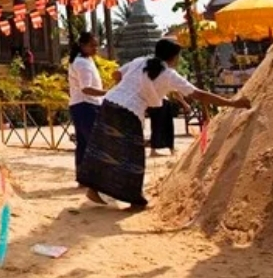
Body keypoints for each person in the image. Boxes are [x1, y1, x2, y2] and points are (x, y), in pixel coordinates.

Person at [78, 39, 251, 211]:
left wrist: (124, 88)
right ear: (174, 57)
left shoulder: (140, 61)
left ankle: (93, 189)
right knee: (132, 156)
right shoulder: (169, 74)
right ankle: (135, 201)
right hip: (128, 111)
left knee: (104, 147)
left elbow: (116, 74)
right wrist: (233, 103)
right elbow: (199, 95)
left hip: (109, 103)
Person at [67, 32, 106, 185]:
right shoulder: (82, 63)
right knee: (93, 142)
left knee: (84, 143)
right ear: (83, 46)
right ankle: (94, 178)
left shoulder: (85, 60)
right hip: (86, 105)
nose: (95, 48)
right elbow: (86, 88)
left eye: (96, 45)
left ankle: (83, 177)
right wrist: (107, 93)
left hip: (83, 105)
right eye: (92, 45)